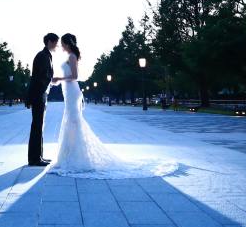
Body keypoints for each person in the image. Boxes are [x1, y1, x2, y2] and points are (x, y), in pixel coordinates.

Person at [47, 33, 178, 178]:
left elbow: (75, 77)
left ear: (67, 43)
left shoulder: (72, 57)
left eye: (63, 43)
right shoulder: (70, 56)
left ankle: (74, 155)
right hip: (69, 91)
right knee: (72, 121)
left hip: (72, 91)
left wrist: (59, 78)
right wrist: (60, 81)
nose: (61, 46)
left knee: (73, 120)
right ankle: (71, 153)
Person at [25, 32, 58, 166]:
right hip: (39, 95)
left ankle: (38, 156)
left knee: (39, 126)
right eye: (55, 42)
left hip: (41, 95)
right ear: (49, 41)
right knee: (37, 126)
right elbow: (39, 78)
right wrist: (51, 80)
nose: (57, 45)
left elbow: (43, 77)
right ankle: (34, 158)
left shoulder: (46, 55)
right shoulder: (42, 56)